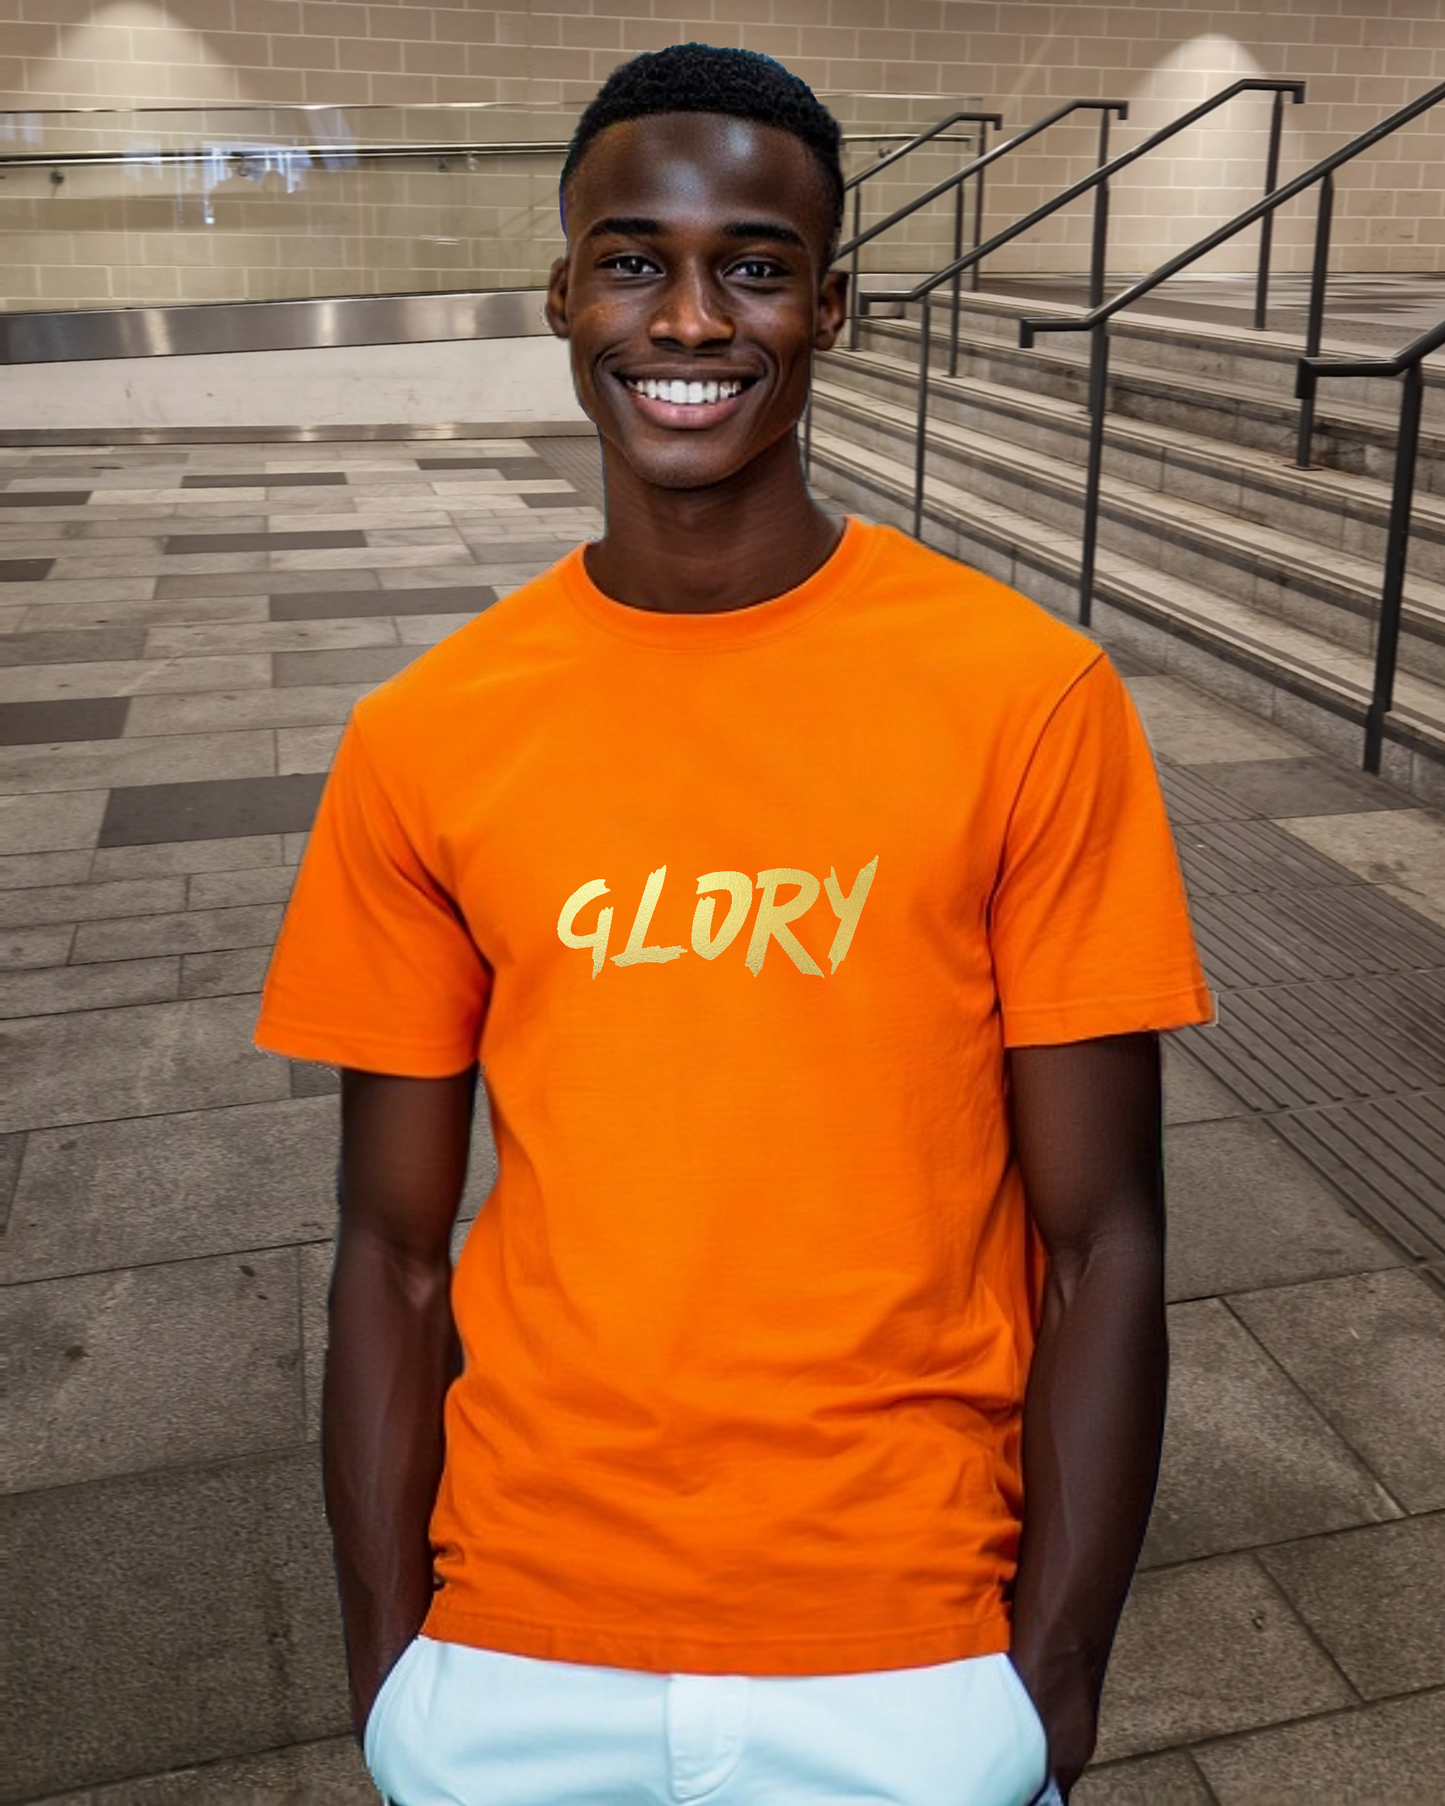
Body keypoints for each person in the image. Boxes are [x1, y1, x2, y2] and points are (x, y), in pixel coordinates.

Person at [253, 42, 1213, 1806]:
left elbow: (1105, 1238)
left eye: (751, 267)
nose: (689, 321)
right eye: (635, 260)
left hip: (909, 1656)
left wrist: (1045, 1687)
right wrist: (390, 1672)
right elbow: (386, 1253)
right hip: (512, 1646)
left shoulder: (1028, 698)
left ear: (829, 306)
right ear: (563, 294)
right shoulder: (428, 733)